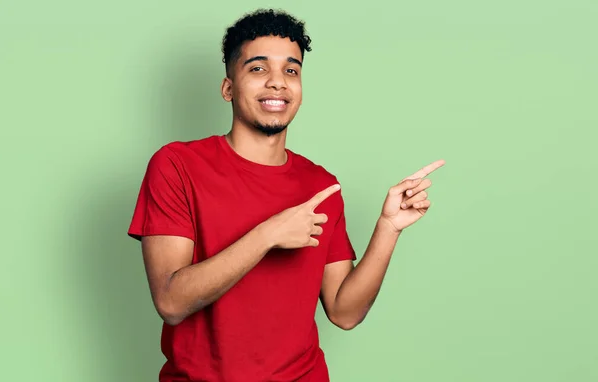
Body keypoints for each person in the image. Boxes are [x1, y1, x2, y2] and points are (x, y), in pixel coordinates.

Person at [127, 8, 444, 382]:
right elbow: (171, 301)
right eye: (258, 68)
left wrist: (389, 227)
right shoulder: (177, 165)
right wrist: (269, 234)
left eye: (291, 70)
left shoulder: (320, 185)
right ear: (228, 88)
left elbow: (344, 312)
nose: (278, 83)